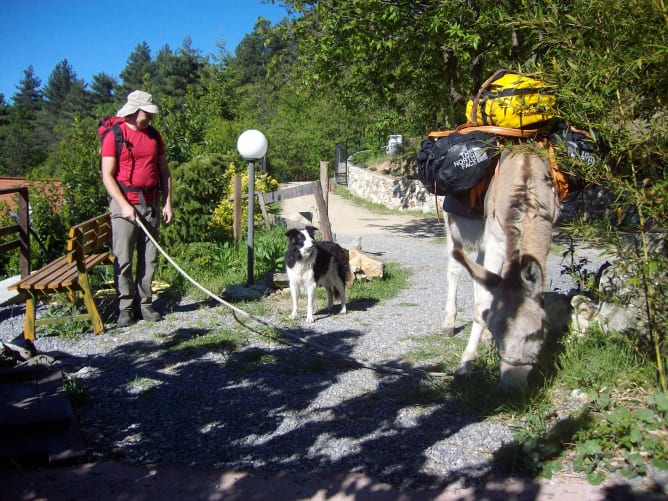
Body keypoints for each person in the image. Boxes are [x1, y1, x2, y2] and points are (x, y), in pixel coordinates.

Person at [101, 90, 173, 327]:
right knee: (123, 259)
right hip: (125, 206)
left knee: (149, 258)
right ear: (133, 112)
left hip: (150, 204)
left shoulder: (154, 136)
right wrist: (124, 205)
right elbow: (107, 176)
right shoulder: (115, 136)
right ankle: (125, 308)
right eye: (146, 114)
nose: (150, 119)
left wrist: (167, 202)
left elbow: (164, 171)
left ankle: (145, 304)